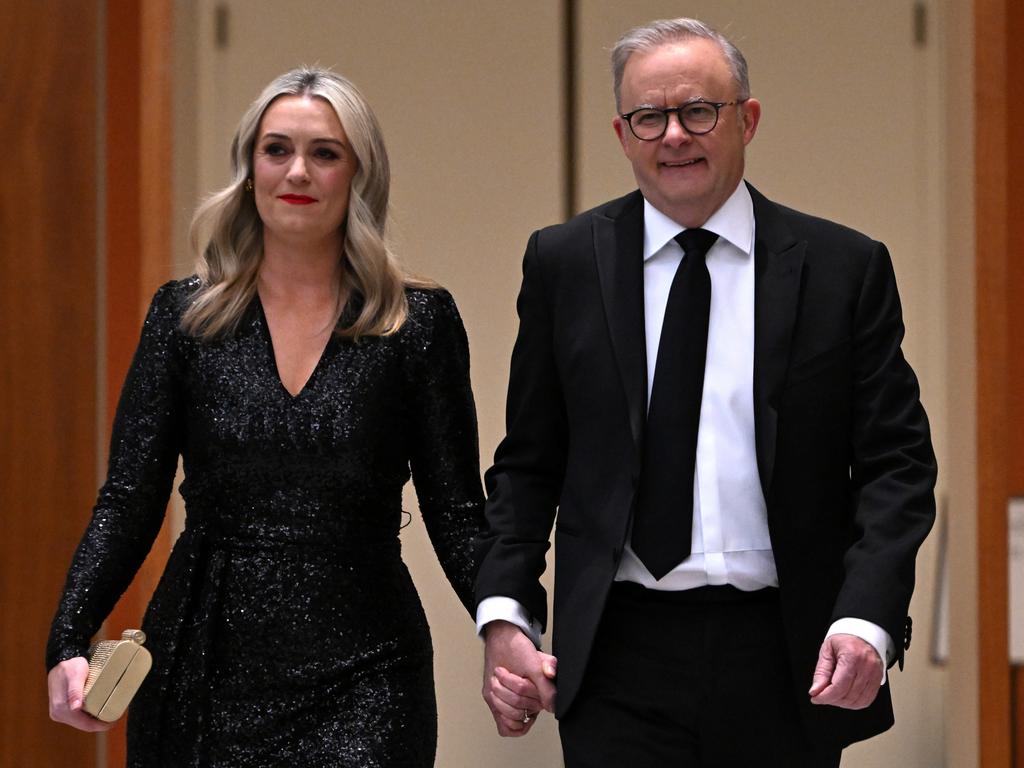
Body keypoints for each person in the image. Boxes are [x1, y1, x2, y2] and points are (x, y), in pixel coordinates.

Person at [474, 17, 937, 768]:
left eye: (698, 112)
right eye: (648, 118)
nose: (673, 137)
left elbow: (897, 467)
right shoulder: (564, 265)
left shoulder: (841, 268)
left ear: (746, 119)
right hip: (620, 649)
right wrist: (505, 612)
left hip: (785, 650)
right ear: (622, 134)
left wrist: (867, 618)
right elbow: (529, 463)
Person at [46, 66, 484, 766]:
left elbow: (458, 513)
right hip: (204, 661)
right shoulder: (184, 317)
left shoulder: (417, 323)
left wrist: (508, 626)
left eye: (326, 152)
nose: (298, 171)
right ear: (249, 169)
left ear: (358, 174)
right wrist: (68, 637)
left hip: (367, 670)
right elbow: (130, 497)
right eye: (277, 149)